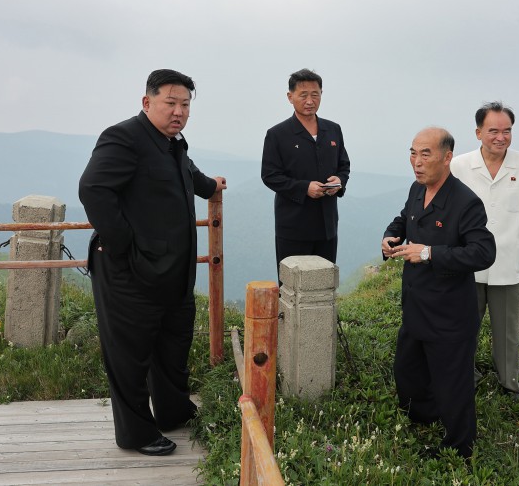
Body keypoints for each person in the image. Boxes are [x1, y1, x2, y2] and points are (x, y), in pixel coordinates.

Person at [78, 69, 227, 456]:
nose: (179, 111)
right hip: (129, 271)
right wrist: (124, 246)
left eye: (185, 105)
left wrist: (212, 186)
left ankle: (174, 411)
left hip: (173, 271)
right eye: (170, 103)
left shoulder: (172, 143)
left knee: (172, 345)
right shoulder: (124, 137)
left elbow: (187, 173)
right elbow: (93, 189)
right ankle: (136, 434)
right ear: (147, 102)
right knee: (130, 354)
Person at [383, 127, 496, 459]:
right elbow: (404, 218)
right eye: (413, 153)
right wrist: (391, 235)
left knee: (452, 384)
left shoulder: (465, 202)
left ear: (447, 158)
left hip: (449, 313)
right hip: (417, 304)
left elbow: (483, 252)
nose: (417, 162)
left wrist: (429, 253)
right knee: (407, 371)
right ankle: (424, 415)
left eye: (425, 154)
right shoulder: (417, 189)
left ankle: (459, 447)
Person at [449, 102, 519, 399]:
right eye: (493, 131)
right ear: (478, 133)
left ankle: (509, 383)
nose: (501, 137)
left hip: (508, 261)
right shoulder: (459, 165)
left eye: (507, 131)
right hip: (468, 262)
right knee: (465, 326)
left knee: (507, 330)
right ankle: (466, 376)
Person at [261, 68, 350, 275]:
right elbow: (270, 175)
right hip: (293, 227)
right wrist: (304, 188)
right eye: (303, 95)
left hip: (327, 226)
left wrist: (339, 182)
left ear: (321, 94)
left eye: (315, 94)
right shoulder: (277, 134)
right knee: (292, 285)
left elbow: (344, 165)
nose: (310, 101)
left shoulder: (333, 129)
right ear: (290, 97)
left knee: (324, 282)